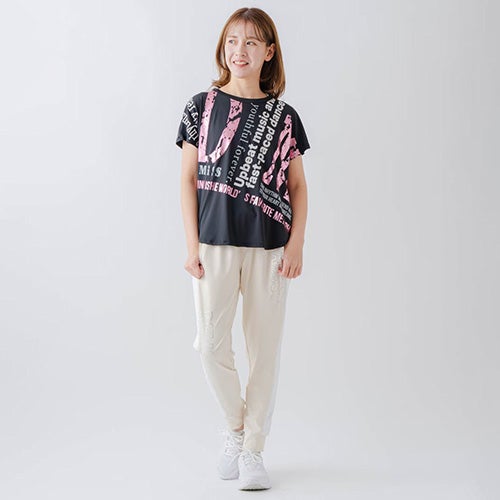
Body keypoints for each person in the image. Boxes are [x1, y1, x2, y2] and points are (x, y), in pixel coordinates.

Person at [175, 7, 310, 491]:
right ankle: (236, 428)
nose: (240, 50)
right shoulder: (201, 107)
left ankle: (254, 449)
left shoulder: (283, 117)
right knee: (210, 344)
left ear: (268, 52)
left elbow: (297, 186)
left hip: (270, 248)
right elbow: (188, 179)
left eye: (252, 42)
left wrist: (296, 244)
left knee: (264, 350)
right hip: (213, 243)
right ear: (223, 47)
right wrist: (191, 245)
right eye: (233, 41)